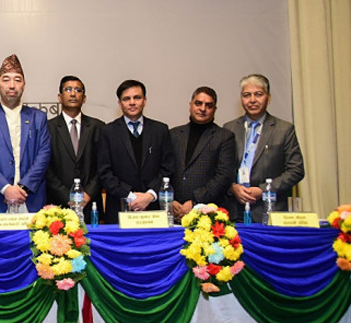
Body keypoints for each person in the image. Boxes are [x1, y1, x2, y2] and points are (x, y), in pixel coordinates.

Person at [0, 54, 51, 214]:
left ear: (24, 85)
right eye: (6, 79)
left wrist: (22, 188)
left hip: (30, 199)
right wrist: (6, 189)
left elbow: (44, 155)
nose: (12, 85)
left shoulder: (38, 117)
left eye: (17, 80)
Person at [223, 74, 304, 222]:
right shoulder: (229, 128)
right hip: (235, 210)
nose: (252, 100)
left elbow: (296, 170)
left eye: (258, 94)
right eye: (247, 95)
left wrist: (263, 190)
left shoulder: (284, 129)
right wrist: (232, 187)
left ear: (269, 98)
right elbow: (221, 169)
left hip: (269, 210)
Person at [96, 79, 176, 224]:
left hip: (153, 209)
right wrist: (131, 196)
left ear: (144, 101)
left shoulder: (160, 130)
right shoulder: (107, 132)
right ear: (120, 103)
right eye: (126, 99)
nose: (132, 102)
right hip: (119, 208)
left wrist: (149, 195)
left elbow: (168, 167)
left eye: (137, 97)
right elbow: (104, 172)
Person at [168, 86, 237, 219]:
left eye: (208, 105)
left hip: (207, 213)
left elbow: (223, 176)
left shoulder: (224, 137)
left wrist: (195, 201)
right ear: (190, 105)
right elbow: (164, 170)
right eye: (198, 103)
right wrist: (170, 199)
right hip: (174, 211)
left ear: (215, 109)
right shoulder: (173, 134)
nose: (203, 109)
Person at [46, 76, 102, 215]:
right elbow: (46, 168)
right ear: (59, 97)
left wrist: (88, 193)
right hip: (58, 205)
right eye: (68, 89)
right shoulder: (48, 128)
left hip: (91, 204)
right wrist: (67, 197)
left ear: (84, 98)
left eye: (78, 90)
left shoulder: (98, 127)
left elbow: (104, 165)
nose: (72, 94)